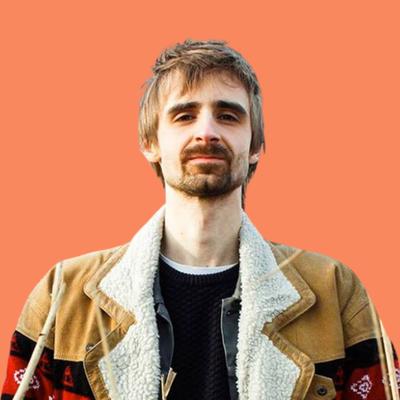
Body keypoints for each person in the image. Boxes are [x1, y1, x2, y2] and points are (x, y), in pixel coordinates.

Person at [1, 39, 399, 400]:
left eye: (228, 116)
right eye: (184, 115)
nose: (207, 132)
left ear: (256, 146)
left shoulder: (335, 290)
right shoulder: (63, 294)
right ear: (150, 143)